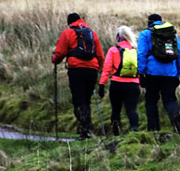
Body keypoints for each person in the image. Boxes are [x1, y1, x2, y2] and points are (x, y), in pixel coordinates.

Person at [51, 12, 103, 140]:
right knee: (87, 99)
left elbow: (60, 52)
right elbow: (100, 55)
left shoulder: (67, 33)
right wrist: (98, 68)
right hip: (92, 70)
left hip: (76, 69)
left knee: (78, 100)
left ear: (69, 23)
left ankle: (84, 130)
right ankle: (88, 130)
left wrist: (55, 60)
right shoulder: (92, 33)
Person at [137, 14, 180, 135]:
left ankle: (153, 129)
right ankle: (175, 118)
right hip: (170, 73)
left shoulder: (145, 34)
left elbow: (141, 54)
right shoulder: (172, 34)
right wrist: (177, 73)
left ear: (149, 22)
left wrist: (141, 73)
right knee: (170, 99)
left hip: (152, 73)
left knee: (151, 100)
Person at [98, 26, 142, 135]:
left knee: (116, 110)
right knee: (132, 109)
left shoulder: (113, 50)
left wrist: (101, 84)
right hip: (133, 84)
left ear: (118, 37)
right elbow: (140, 68)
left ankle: (116, 133)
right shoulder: (136, 51)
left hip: (117, 84)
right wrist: (139, 82)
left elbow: (107, 69)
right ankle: (135, 131)